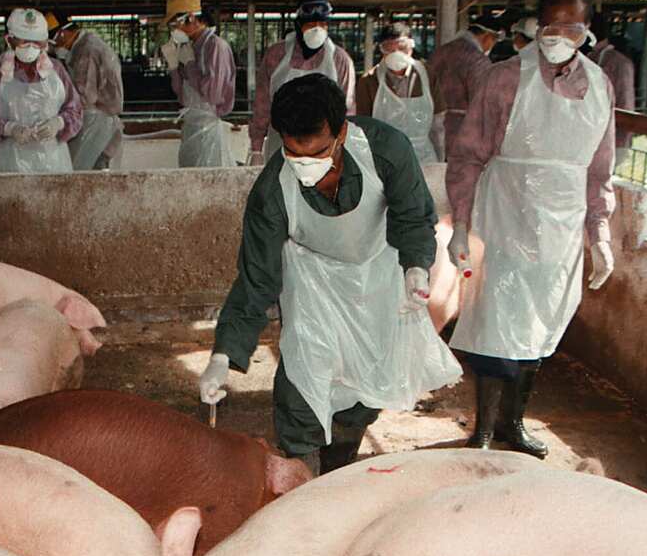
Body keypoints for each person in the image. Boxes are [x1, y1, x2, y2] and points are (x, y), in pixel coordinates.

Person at [197, 74, 461, 474]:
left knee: (368, 379)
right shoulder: (272, 192)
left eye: (317, 153)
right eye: (293, 152)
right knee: (303, 377)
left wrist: (416, 267)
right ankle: (303, 473)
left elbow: (412, 216)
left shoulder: (385, 149)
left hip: (377, 272)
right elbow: (257, 279)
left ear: (341, 132)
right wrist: (223, 355)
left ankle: (340, 465)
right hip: (312, 279)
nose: (305, 165)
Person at [446, 0, 617, 459]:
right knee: (495, 321)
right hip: (506, 212)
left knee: (542, 323)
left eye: (569, 28)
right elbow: (467, 155)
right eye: (549, 27)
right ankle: (484, 428)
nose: (557, 36)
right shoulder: (504, 78)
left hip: (563, 223)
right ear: (536, 27)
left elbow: (601, 169)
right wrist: (460, 224)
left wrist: (600, 234)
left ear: (587, 31)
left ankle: (513, 424)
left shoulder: (600, 86)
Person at [247, 0, 356, 167]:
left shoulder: (340, 60)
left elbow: (348, 110)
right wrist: (256, 149)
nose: (316, 29)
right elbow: (262, 105)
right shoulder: (276, 55)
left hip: (323, 149)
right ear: (299, 24)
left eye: (322, 24)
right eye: (310, 24)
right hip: (281, 143)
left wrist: (345, 150)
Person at [0, 8, 83, 174]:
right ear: (10, 40)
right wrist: (9, 129)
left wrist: (58, 123)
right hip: (11, 164)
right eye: (24, 41)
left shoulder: (57, 70)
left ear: (45, 43)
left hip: (55, 163)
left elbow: (75, 111)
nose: (31, 47)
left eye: (37, 42)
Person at [162, 0, 236, 168]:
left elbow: (213, 95)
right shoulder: (190, 48)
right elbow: (183, 96)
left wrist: (190, 65)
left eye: (175, 24)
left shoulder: (215, 47)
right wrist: (174, 67)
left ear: (191, 18)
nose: (174, 30)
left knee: (210, 177)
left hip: (209, 130)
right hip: (192, 126)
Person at [49, 13, 123, 171]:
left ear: (62, 33)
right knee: (92, 173)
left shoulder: (86, 51)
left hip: (96, 123)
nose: (54, 47)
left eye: (54, 42)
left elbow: (85, 96)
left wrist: (58, 112)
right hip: (98, 122)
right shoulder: (84, 46)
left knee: (83, 174)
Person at [354, 22, 437, 164]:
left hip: (423, 157)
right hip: (385, 157)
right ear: (382, 50)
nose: (396, 54)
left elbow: (439, 123)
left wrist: (441, 157)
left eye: (402, 48)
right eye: (389, 49)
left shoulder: (427, 75)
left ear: (411, 46)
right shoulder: (369, 81)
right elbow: (363, 126)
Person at [426, 21, 499, 162]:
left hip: (431, 129)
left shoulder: (439, 52)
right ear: (487, 36)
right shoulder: (477, 60)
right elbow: (483, 103)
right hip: (463, 134)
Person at [586, 16, 637, 164]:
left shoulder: (617, 63)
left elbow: (625, 104)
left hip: (612, 138)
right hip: (597, 136)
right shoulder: (595, 59)